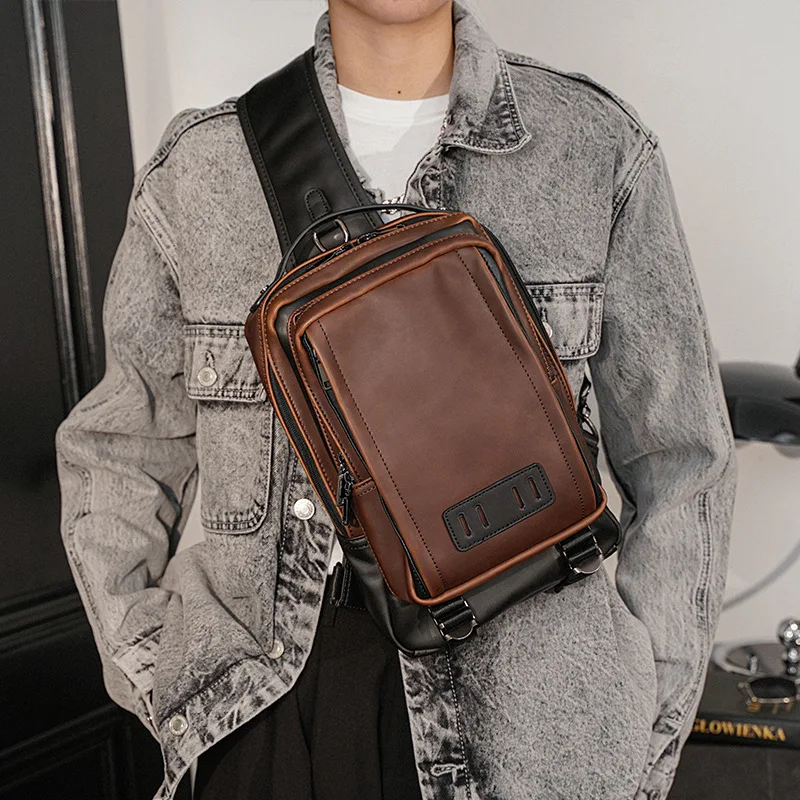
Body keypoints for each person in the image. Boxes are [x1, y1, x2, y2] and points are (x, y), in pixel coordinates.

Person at [54, 1, 737, 798]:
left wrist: (640, 733)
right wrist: (157, 670)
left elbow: (683, 458)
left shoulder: (594, 145)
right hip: (277, 712)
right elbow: (119, 451)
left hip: (542, 727)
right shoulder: (201, 170)